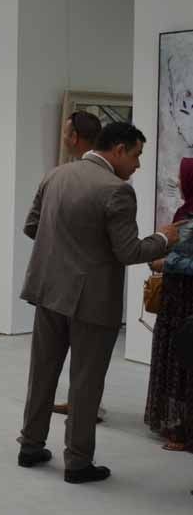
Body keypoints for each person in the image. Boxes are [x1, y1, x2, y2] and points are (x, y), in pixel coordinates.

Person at [17, 122, 178, 483]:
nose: (137, 164)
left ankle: (30, 445)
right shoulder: (117, 191)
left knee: (42, 373)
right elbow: (129, 251)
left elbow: (32, 227)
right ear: (118, 149)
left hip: (48, 292)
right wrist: (163, 238)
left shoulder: (55, 175)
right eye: (136, 155)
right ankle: (77, 463)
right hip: (91, 301)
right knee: (86, 383)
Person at [53, 111, 102, 418]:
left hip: (80, 283)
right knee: (85, 352)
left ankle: (83, 407)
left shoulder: (64, 176)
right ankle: (82, 403)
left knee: (84, 353)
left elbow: (33, 227)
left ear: (74, 137)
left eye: (66, 132)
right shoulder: (107, 179)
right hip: (83, 281)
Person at [145, 157, 193, 450]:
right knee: (176, 358)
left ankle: (186, 431)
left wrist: (167, 262)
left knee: (185, 361)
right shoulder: (183, 212)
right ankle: (178, 423)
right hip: (176, 300)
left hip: (186, 301)